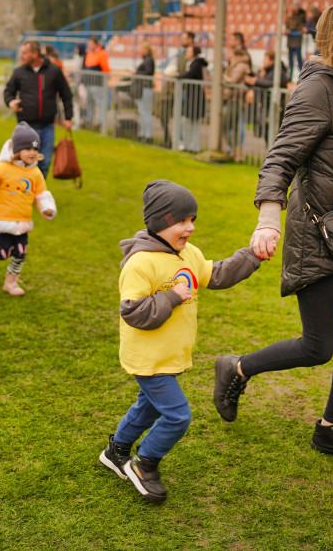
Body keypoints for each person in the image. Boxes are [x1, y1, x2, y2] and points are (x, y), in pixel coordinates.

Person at [214, 0, 333, 466]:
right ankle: (236, 368)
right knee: (317, 346)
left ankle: (331, 429)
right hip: (319, 233)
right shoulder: (317, 90)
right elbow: (280, 158)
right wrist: (268, 216)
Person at [101, 180, 261, 502]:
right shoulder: (141, 262)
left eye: (193, 220)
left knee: (147, 407)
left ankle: (116, 450)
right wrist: (172, 297)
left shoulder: (189, 254)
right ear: (161, 221)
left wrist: (251, 256)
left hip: (170, 354)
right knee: (177, 415)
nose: (189, 228)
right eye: (181, 221)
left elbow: (215, 275)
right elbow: (132, 312)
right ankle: (145, 464)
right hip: (148, 358)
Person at [0, 122, 56, 296]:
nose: (32, 153)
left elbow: (41, 194)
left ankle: (10, 283)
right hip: (2, 219)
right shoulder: (2, 168)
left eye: (35, 149)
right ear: (17, 150)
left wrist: (47, 208)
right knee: (3, 253)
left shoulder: (36, 173)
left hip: (22, 221)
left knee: (20, 253)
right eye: (27, 149)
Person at [3, 40, 74, 178]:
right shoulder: (19, 72)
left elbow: (66, 94)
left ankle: (38, 194)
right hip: (25, 128)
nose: (21, 56)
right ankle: (24, 193)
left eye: (24, 53)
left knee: (45, 163)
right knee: (23, 163)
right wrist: (10, 102)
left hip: (47, 127)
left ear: (35, 53)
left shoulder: (54, 71)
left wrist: (68, 117)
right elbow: (8, 91)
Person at [223, 46, 253, 155]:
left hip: (236, 99)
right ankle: (236, 152)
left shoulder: (241, 66)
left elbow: (233, 81)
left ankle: (236, 151)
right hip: (235, 99)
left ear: (237, 56)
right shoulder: (240, 65)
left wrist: (223, 76)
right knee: (234, 127)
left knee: (224, 126)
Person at [179, 45, 208, 152]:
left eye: (189, 51)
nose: (187, 53)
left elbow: (189, 75)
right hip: (191, 95)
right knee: (188, 121)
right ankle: (189, 145)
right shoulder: (193, 63)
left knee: (193, 122)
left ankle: (194, 146)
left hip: (195, 96)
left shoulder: (196, 64)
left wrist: (177, 77)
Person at [82, 36, 111, 127]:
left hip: (98, 84)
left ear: (96, 44)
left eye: (91, 44)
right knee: (90, 103)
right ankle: (89, 120)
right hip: (89, 83)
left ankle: (101, 123)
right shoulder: (88, 54)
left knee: (100, 103)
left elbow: (106, 69)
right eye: (88, 44)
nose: (89, 46)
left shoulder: (102, 54)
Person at [133, 42, 156, 142]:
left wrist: (137, 73)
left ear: (147, 50)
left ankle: (148, 134)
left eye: (142, 49)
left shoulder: (149, 60)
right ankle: (143, 132)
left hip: (146, 88)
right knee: (142, 111)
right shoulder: (146, 60)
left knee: (145, 111)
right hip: (142, 88)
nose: (140, 52)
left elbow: (149, 72)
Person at [285, 3, 307, 80]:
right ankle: (290, 76)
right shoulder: (290, 17)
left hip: (297, 41)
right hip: (291, 41)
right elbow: (287, 26)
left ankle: (301, 76)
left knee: (299, 59)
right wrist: (287, 30)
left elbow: (303, 22)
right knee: (290, 60)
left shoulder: (301, 16)